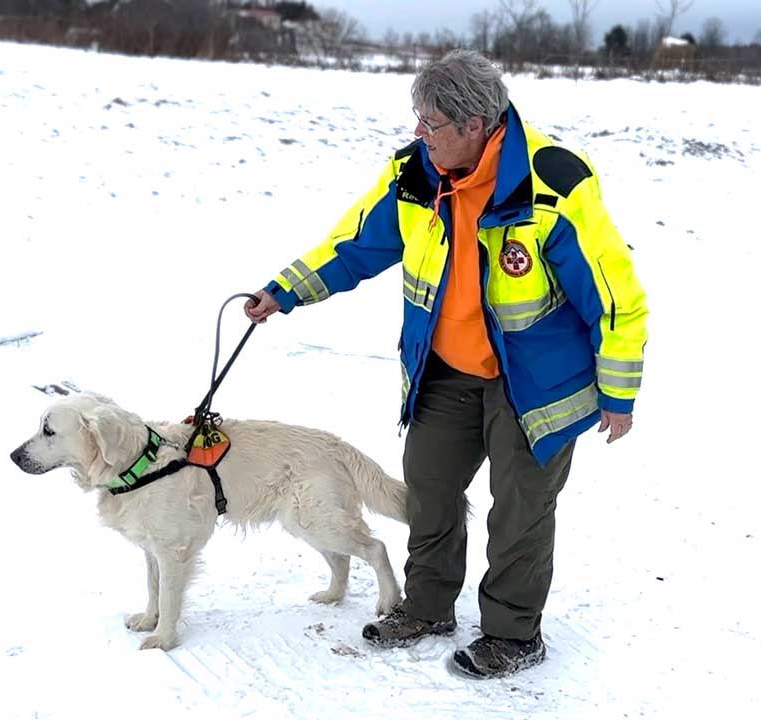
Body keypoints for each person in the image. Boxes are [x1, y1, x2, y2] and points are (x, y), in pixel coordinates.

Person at [244, 49, 647, 678]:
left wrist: (619, 396)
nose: (417, 133)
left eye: (430, 123)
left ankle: (514, 634)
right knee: (429, 491)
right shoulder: (414, 173)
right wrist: (283, 291)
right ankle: (428, 607)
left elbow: (615, 295)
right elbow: (355, 244)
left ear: (476, 126)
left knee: (519, 509)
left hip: (534, 386)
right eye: (417, 119)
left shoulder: (555, 181)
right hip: (445, 371)